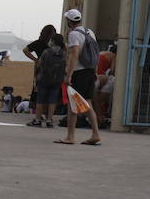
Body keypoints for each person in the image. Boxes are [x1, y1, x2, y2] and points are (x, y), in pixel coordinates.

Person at [56, 8, 102, 145]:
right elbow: (95, 53)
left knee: (73, 105)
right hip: (89, 71)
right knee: (87, 103)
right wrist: (95, 70)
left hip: (79, 72)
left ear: (69, 21)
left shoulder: (73, 35)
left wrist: (68, 75)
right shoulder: (90, 32)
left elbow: (74, 54)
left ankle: (70, 136)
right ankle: (95, 133)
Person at [29, 32, 65, 129]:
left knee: (40, 100)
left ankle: (37, 119)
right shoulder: (63, 53)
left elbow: (39, 64)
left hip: (44, 79)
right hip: (57, 80)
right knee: (52, 100)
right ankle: (49, 120)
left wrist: (36, 76)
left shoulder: (46, 52)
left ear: (53, 41)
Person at [22, 24, 57, 116]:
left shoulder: (38, 43)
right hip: (51, 69)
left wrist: (35, 59)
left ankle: (38, 113)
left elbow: (25, 50)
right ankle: (47, 114)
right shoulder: (54, 44)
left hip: (40, 68)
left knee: (39, 90)